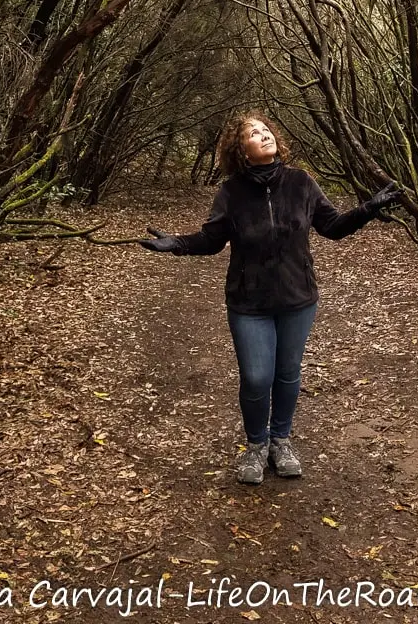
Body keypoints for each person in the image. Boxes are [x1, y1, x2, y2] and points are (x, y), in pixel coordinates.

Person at [140, 111, 399, 485]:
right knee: (257, 377)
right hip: (249, 303)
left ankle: (281, 440)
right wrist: (176, 244)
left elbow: (333, 228)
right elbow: (212, 241)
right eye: (253, 134)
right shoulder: (231, 192)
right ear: (241, 151)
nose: (263, 136)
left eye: (266, 130)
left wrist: (369, 208)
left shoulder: (301, 183)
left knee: (287, 373)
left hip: (298, 299)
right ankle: (256, 445)